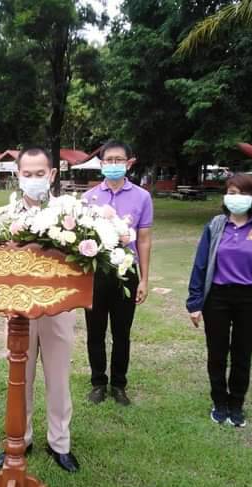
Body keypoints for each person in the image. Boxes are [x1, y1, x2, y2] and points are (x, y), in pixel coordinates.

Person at [0, 146, 80, 473]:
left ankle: (60, 443)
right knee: (20, 377)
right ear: (18, 176)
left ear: (52, 174)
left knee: (58, 378)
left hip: (59, 308)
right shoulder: (5, 216)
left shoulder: (69, 215)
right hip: (19, 312)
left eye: (39, 173)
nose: (33, 179)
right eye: (27, 174)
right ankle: (21, 438)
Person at [186, 174, 252, 428]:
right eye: (231, 192)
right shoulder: (215, 226)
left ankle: (236, 404)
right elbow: (200, 265)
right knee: (216, 354)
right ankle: (219, 402)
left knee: (242, 356)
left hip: (250, 300)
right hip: (217, 297)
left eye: (241, 193)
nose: (235, 198)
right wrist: (195, 303)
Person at [82, 140, 153, 406]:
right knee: (95, 331)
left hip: (127, 271)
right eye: (109, 160)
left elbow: (144, 240)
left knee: (122, 332)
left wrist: (144, 279)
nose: (113, 164)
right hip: (97, 272)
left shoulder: (142, 197)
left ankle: (119, 384)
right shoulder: (88, 198)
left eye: (118, 160)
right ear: (101, 164)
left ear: (129, 163)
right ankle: (98, 382)